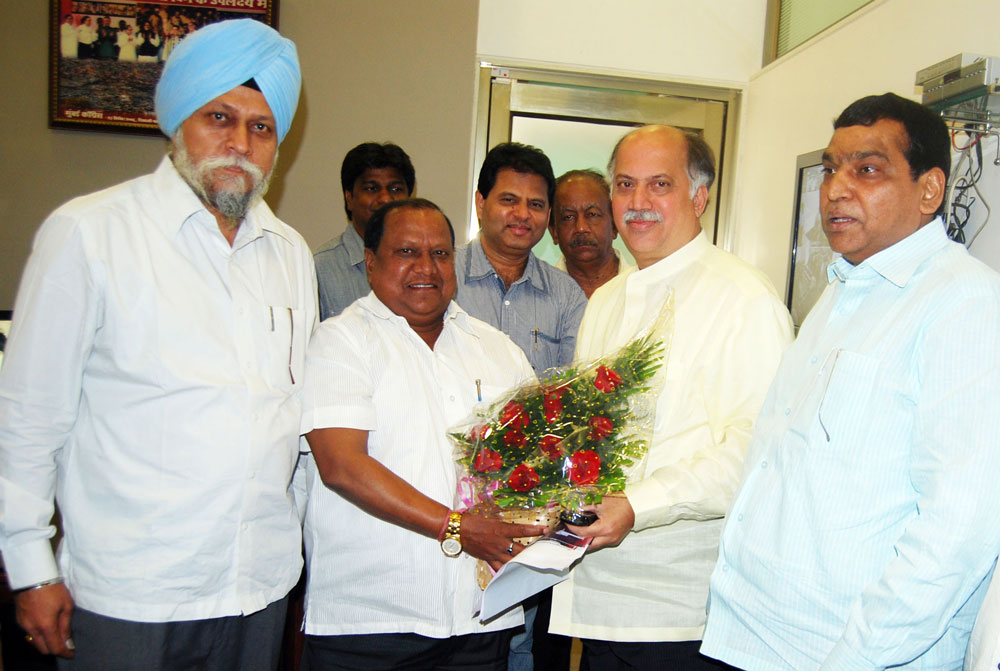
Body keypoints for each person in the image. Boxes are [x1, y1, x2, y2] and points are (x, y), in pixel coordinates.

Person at [0, 19, 313, 671]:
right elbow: (28, 421)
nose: (239, 143)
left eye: (261, 127)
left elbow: (295, 421)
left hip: (259, 588)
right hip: (132, 596)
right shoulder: (90, 234)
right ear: (177, 122)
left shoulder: (290, 254)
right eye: (218, 117)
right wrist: (30, 567)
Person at [700, 93, 1000, 671]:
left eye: (867, 169)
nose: (836, 188)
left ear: (930, 190)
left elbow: (959, 527)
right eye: (832, 168)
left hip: (845, 654)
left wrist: (856, 657)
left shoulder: (963, 302)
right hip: (754, 636)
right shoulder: (842, 290)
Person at [547, 125, 793, 670]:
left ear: (699, 197)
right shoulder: (607, 300)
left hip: (687, 611)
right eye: (625, 185)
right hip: (598, 596)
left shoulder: (744, 299)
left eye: (659, 184)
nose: (637, 204)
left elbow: (756, 452)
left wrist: (638, 505)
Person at [299, 198, 543, 671]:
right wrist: (456, 527)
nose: (426, 267)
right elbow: (342, 466)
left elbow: (535, 461)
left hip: (480, 620)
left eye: (441, 253)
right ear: (371, 264)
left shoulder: (497, 350)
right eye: (406, 252)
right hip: (371, 626)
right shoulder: (340, 342)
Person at [453, 141, 587, 670]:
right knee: (453, 628)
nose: (522, 215)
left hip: (529, 494)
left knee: (520, 634)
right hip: (451, 485)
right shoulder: (444, 276)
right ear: (481, 200)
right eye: (509, 200)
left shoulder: (566, 296)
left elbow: (574, 402)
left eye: (535, 205)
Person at [313, 142, 415, 320]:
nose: (385, 199)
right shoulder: (319, 268)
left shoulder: (422, 264)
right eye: (371, 189)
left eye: (396, 189)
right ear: (349, 198)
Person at [550, 169, 634, 297]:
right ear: (554, 231)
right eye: (568, 217)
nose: (581, 228)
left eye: (593, 214)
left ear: (614, 226)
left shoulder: (645, 287)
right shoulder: (539, 295)